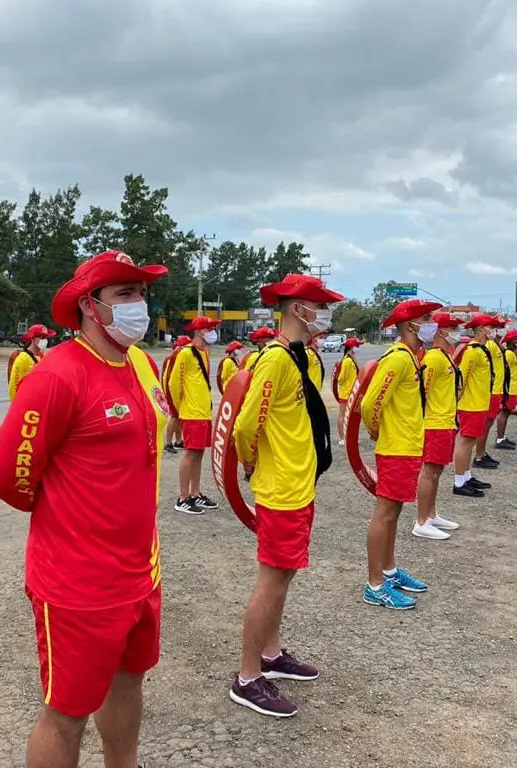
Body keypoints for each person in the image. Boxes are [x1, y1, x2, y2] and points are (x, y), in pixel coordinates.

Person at [0, 250, 168, 768]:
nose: (139, 305)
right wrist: (71, 519)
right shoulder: (58, 374)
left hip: (142, 570)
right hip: (78, 584)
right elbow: (8, 476)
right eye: (125, 294)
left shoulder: (140, 362)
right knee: (67, 712)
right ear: (91, 305)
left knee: (128, 685)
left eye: (142, 293)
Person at [230, 274, 340, 717]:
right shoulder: (275, 359)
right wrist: (250, 462)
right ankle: (247, 676)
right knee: (272, 580)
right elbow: (244, 425)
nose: (326, 313)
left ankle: (271, 656)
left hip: (298, 484)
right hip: (281, 489)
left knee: (284, 577)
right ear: (299, 309)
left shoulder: (298, 356)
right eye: (320, 304)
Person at [360, 298, 442, 610]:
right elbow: (370, 404)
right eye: (427, 317)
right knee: (385, 513)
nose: (433, 323)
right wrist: (377, 430)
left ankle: (389, 571)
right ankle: (375, 584)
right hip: (395, 448)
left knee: (394, 513)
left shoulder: (411, 357)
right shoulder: (397, 359)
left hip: (408, 446)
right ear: (411, 325)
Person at [414, 312, 465, 539]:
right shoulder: (433, 358)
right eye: (453, 328)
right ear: (442, 331)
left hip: (445, 421)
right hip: (434, 422)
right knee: (430, 472)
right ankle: (421, 520)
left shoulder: (445, 357)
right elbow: (421, 392)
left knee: (437, 472)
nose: (457, 332)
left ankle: (431, 514)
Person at [168, 315, 222, 515]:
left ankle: (195, 493)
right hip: (191, 413)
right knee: (190, 453)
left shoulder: (204, 353)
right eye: (210, 329)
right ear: (200, 332)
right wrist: (179, 408)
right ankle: (182, 498)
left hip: (203, 412)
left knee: (199, 453)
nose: (213, 333)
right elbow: (174, 384)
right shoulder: (185, 354)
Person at [452, 314, 495, 497]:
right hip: (470, 405)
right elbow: (462, 378)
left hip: (479, 403)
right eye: (489, 327)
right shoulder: (472, 351)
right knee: (465, 442)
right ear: (480, 330)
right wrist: (457, 402)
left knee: (471, 443)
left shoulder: (482, 350)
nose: (492, 331)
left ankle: (467, 476)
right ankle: (459, 481)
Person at [475, 316, 508, 468]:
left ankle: (482, 453)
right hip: (492, 390)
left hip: (497, 390)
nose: (500, 331)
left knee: (488, 424)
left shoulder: (496, 345)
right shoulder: (488, 345)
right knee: (485, 425)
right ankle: (479, 455)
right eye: (496, 327)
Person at [494, 329, 517, 449]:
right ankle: (499, 439)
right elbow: (504, 371)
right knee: (504, 412)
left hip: (513, 387)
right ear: (512, 341)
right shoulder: (508, 354)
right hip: (509, 388)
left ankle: (502, 437)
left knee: (507, 413)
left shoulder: (512, 353)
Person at [8, 323, 56, 400]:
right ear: (33, 339)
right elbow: (13, 387)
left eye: (46, 337)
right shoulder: (23, 358)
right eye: (41, 337)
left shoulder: (43, 356)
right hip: (27, 403)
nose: (45, 340)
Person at [162, 335, 190, 453]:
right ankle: (168, 442)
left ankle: (178, 441)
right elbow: (167, 377)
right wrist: (169, 393)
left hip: (178, 390)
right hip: (171, 390)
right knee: (174, 417)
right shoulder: (172, 357)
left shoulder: (179, 356)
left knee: (178, 417)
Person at [333, 337, 362, 445]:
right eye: (357, 346)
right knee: (342, 414)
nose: (358, 348)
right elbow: (340, 378)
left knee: (351, 417)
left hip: (352, 393)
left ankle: (349, 437)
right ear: (351, 347)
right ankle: (342, 438)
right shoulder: (347, 361)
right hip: (346, 393)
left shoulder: (352, 359)